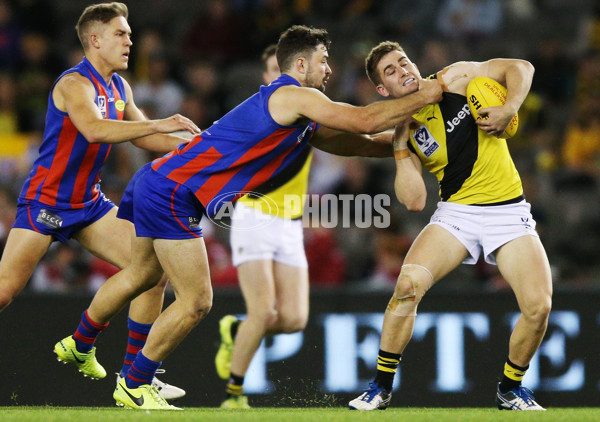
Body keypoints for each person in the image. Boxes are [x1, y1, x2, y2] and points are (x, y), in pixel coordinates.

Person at [53, 25, 442, 410]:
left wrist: (408, 143)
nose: (329, 70)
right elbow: (365, 120)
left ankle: (80, 343)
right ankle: (135, 382)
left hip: (160, 181)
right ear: (302, 63)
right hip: (173, 192)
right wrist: (428, 93)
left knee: (142, 276)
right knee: (197, 301)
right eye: (324, 61)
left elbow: (358, 143)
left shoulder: (299, 116)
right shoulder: (292, 94)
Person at [0, 2, 200, 400]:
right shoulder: (73, 84)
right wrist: (160, 122)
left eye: (128, 34)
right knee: (5, 291)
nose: (130, 41)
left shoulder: (119, 87)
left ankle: (133, 376)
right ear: (95, 40)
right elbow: (92, 129)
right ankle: (87, 347)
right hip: (46, 203)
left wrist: (200, 145)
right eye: (120, 34)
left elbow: (143, 138)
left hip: (89, 206)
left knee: (152, 270)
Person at [348, 41, 551, 411]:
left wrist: (509, 108)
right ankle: (380, 387)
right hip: (456, 214)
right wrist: (398, 142)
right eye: (390, 72)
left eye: (403, 62)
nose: (402, 71)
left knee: (538, 307)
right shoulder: (404, 129)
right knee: (407, 286)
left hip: (508, 210)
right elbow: (413, 201)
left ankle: (511, 388)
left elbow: (521, 66)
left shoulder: (455, 78)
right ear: (383, 90)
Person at [213, 43, 310, 409]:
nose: (280, 76)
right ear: (266, 77)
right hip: (255, 217)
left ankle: (236, 331)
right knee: (264, 311)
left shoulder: (307, 111)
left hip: (290, 223)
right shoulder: (260, 112)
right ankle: (233, 395)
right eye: (272, 69)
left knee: (295, 319)